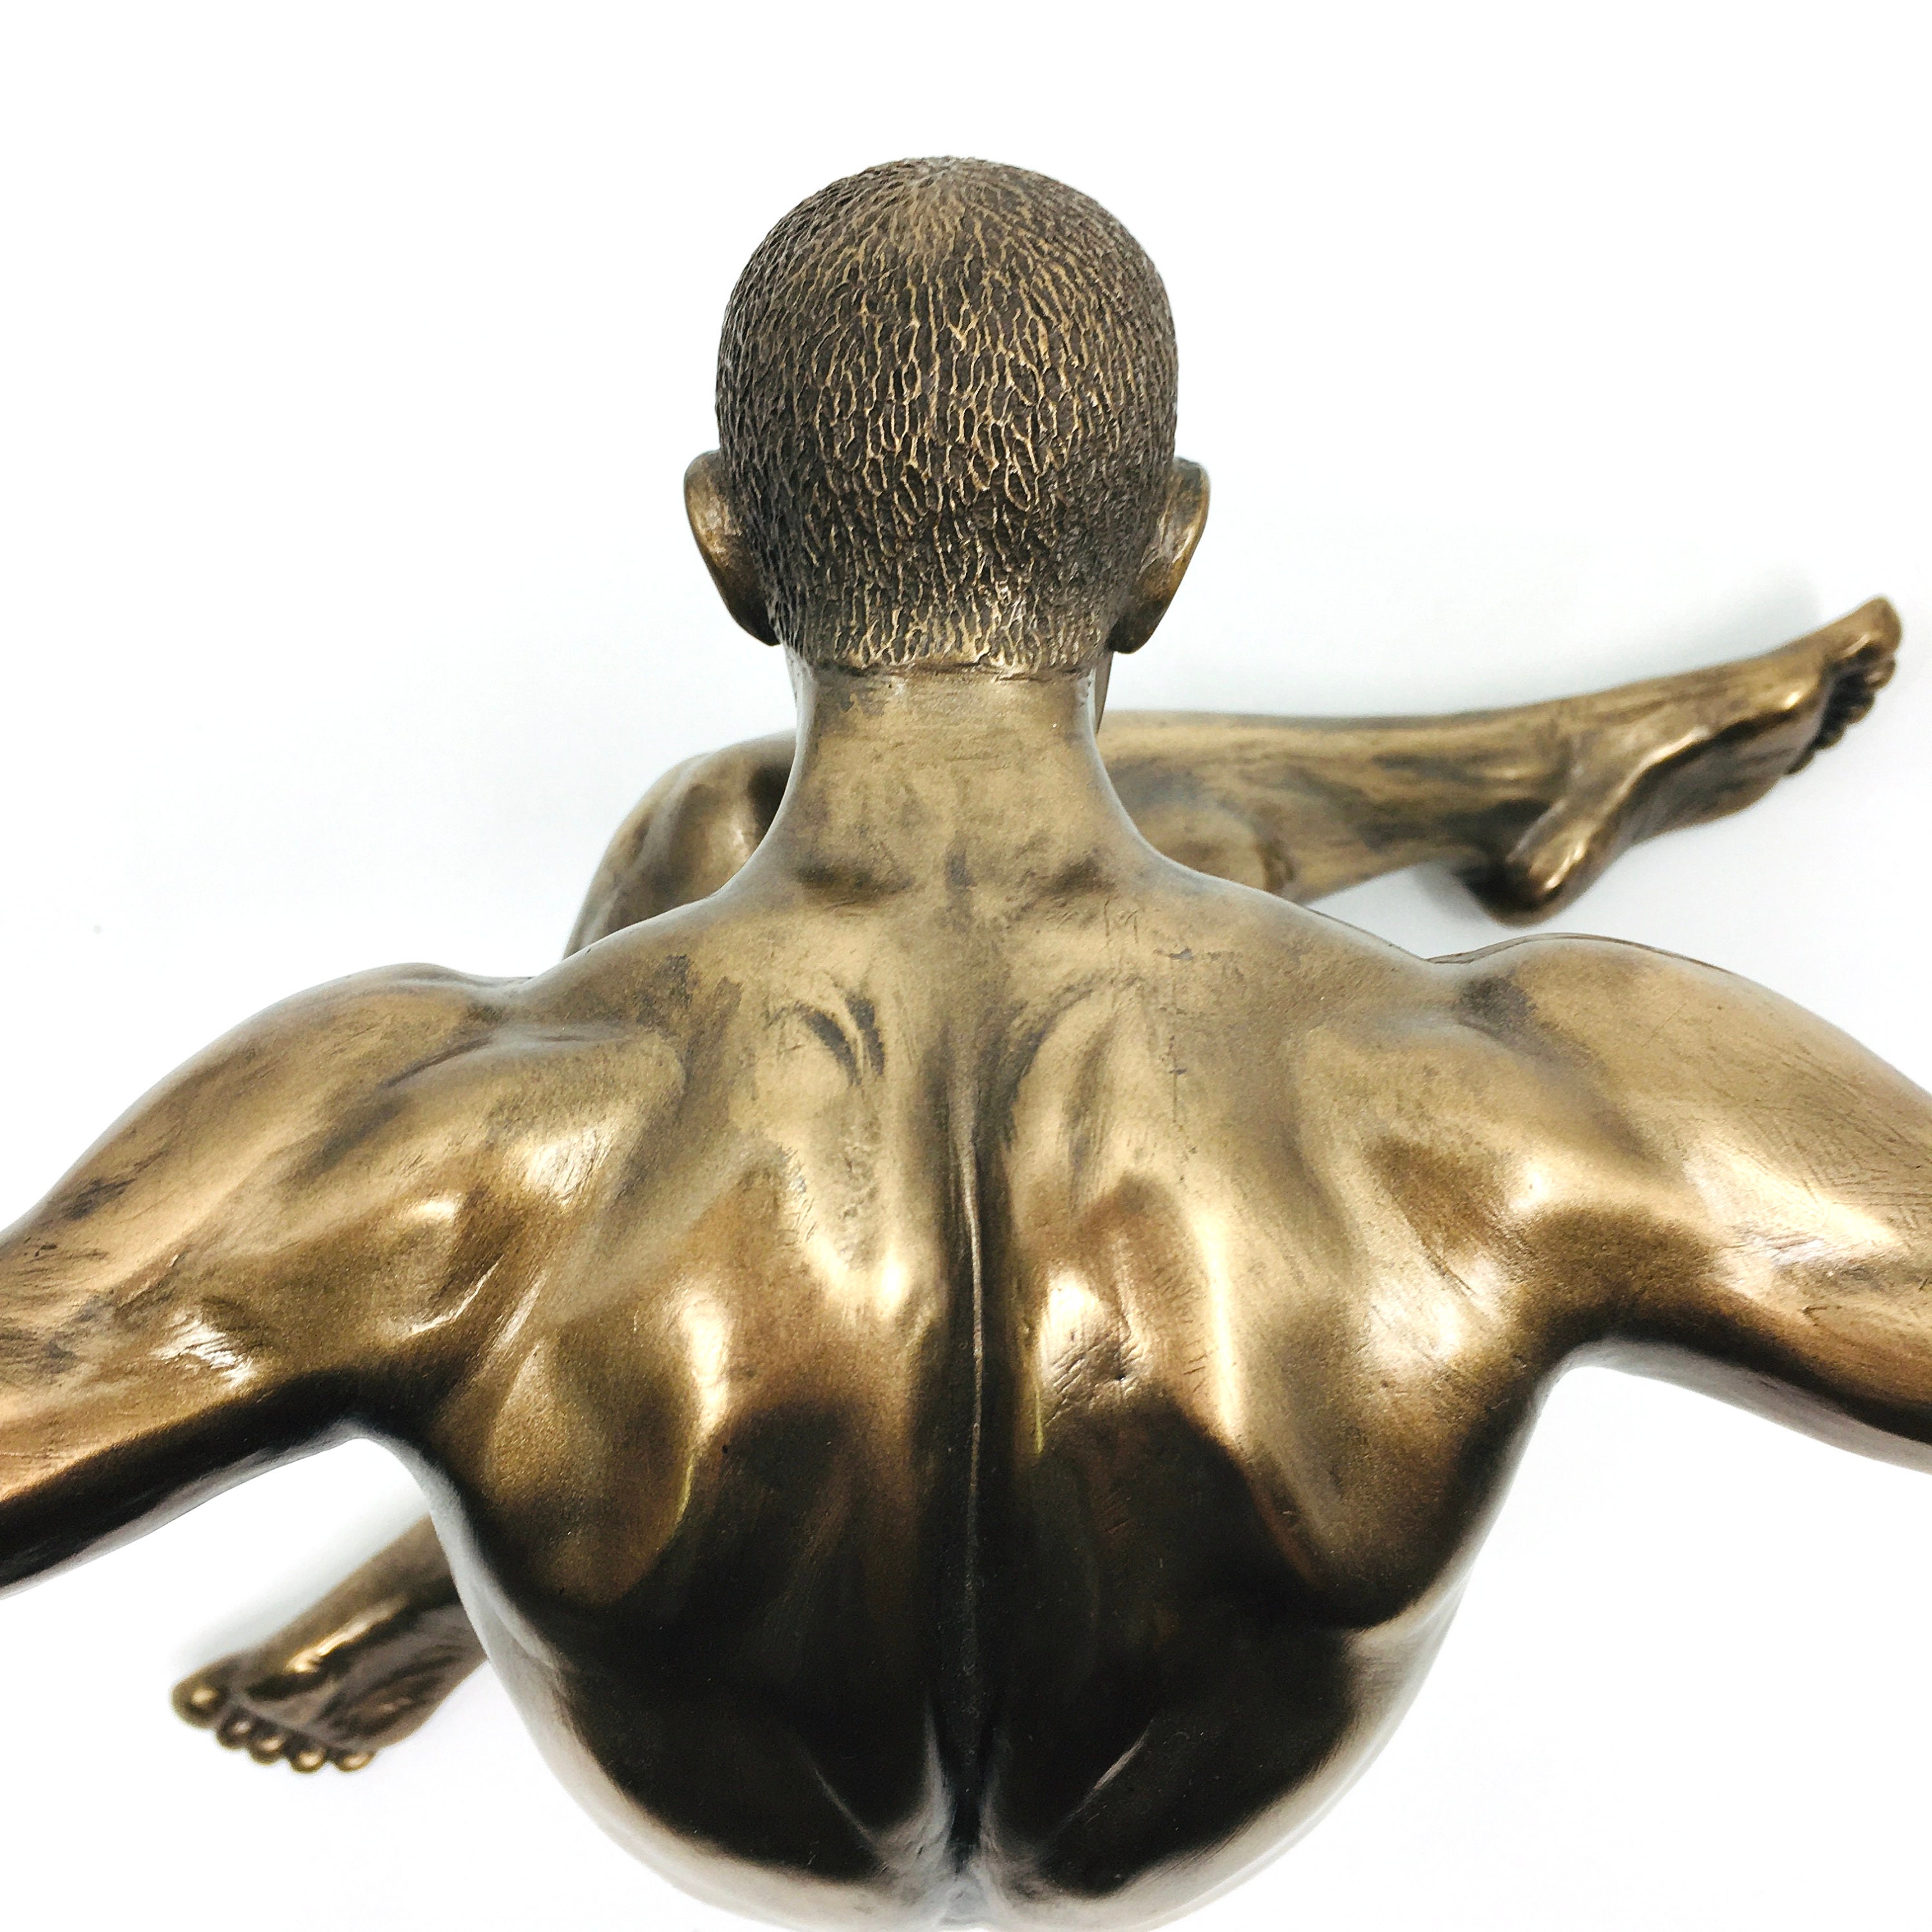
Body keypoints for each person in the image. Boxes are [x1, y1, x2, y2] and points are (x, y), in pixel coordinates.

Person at [0, 157, 1915, 1927]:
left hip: (736, 1775)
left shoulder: (424, 1133)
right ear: (1166, 557)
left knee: (711, 838)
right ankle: (1515, 778)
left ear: (727, 547)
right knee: (781, 833)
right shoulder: (1531, 1090)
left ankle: (499, 1489)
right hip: (1177, 1822)